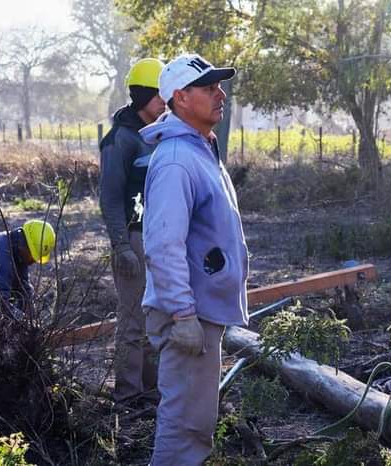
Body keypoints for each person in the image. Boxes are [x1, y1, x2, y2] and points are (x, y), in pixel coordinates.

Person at [139, 53, 248, 465]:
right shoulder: (175, 161)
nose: (220, 94)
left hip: (200, 313)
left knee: (195, 424)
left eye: (219, 86)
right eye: (208, 88)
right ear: (180, 98)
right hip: (187, 316)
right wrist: (183, 316)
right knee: (184, 426)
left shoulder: (200, 149)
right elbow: (163, 245)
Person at [99, 58, 166, 407]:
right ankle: (127, 395)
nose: (164, 102)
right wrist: (121, 245)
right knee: (131, 323)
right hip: (133, 239)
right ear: (141, 96)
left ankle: (152, 391)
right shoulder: (120, 139)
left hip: (160, 239)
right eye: (158, 96)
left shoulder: (156, 133)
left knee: (155, 320)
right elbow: (109, 197)